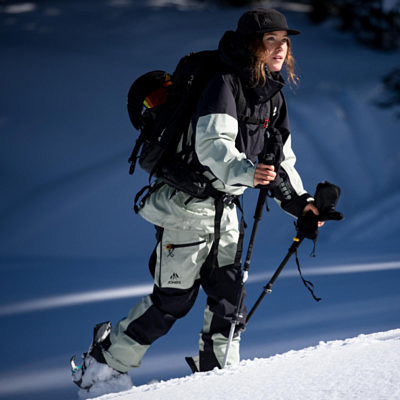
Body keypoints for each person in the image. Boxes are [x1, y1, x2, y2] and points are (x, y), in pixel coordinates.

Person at [72, 7, 324, 393]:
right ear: (250, 45)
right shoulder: (224, 84)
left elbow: (280, 160)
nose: (279, 48)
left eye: (283, 41)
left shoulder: (271, 95)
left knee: (229, 301)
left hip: (224, 212)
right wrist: (247, 173)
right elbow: (212, 146)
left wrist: (302, 204)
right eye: (269, 40)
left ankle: (219, 382)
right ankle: (102, 367)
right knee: (172, 301)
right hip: (186, 208)